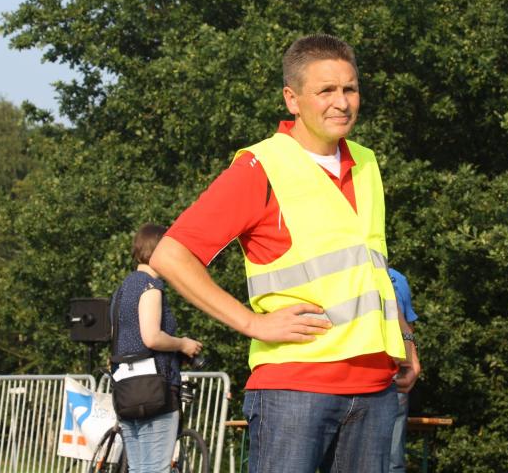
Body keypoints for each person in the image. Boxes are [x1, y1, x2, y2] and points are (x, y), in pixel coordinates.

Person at [149, 34, 420, 473]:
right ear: (292, 99)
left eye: (350, 89)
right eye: (326, 90)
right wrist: (251, 322)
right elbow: (170, 254)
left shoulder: (367, 163)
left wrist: (405, 340)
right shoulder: (261, 166)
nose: (342, 102)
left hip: (376, 387)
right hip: (295, 389)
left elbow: (372, 268)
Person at [111, 223, 203, 473]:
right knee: (155, 469)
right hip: (155, 390)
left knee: (138, 468)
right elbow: (151, 338)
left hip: (125, 390)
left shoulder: (121, 291)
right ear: (160, 251)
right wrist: (183, 344)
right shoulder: (150, 287)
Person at [388, 267, 420, 472]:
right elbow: (409, 327)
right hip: (393, 375)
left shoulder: (397, 279)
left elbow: (408, 327)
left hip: (394, 377)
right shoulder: (397, 278)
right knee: (393, 459)